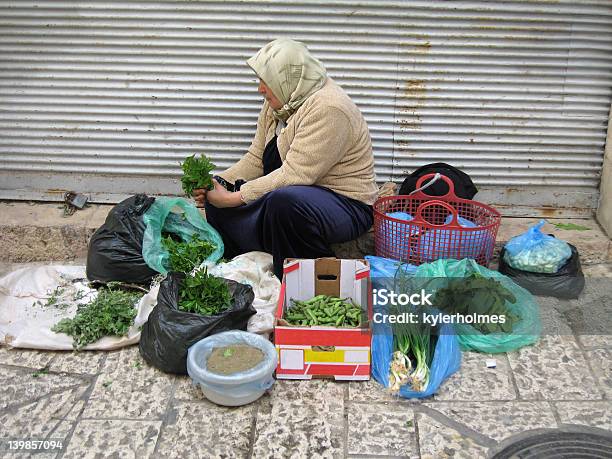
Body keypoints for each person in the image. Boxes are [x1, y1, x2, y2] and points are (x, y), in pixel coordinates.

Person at [193, 38, 378, 279]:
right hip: (300, 194)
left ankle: (308, 278)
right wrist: (218, 184)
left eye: (265, 81)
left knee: (284, 204)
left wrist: (233, 199)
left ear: (287, 79)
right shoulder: (280, 101)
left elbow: (296, 175)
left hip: (345, 205)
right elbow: (256, 159)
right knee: (223, 194)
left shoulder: (329, 108)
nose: (260, 88)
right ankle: (255, 249)